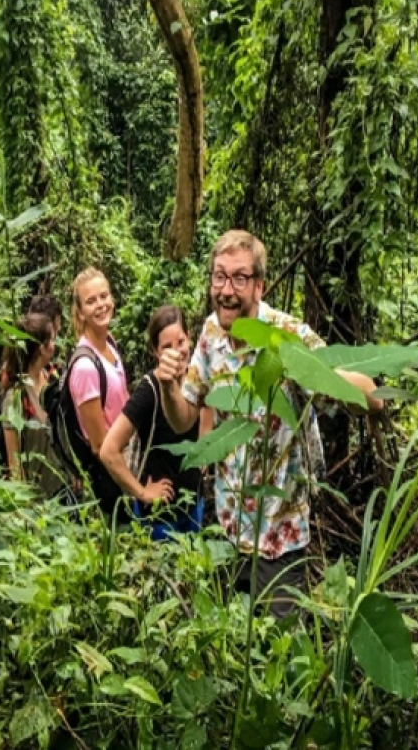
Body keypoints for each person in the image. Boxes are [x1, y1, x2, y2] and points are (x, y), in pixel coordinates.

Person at [155, 230, 382, 617]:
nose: (226, 290)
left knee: (279, 647)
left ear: (259, 286)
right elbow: (183, 420)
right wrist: (168, 386)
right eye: (219, 276)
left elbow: (371, 399)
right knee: (227, 644)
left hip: (280, 537)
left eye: (239, 278)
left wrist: (307, 371)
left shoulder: (286, 334)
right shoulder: (210, 334)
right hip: (227, 530)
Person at [100, 305, 204, 539]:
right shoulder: (150, 390)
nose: (176, 352)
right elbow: (109, 450)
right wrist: (142, 493)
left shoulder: (196, 380)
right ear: (155, 352)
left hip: (193, 507)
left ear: (190, 338)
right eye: (167, 347)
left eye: (181, 342)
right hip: (158, 518)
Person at [65, 267, 130, 516]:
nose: (101, 305)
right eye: (91, 301)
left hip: (127, 455)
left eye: (104, 296)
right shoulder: (85, 367)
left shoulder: (109, 344)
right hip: (110, 475)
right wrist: (136, 488)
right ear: (80, 312)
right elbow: (99, 445)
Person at [0, 312, 65, 498]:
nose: (54, 344)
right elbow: (14, 463)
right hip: (39, 499)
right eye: (51, 339)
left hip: (63, 488)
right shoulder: (16, 398)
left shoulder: (51, 378)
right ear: (41, 348)